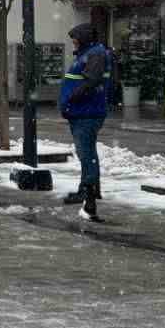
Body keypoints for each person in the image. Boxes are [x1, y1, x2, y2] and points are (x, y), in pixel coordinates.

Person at [60, 23, 110, 221]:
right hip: (82, 112)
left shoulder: (95, 54)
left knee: (86, 153)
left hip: (87, 113)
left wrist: (72, 96)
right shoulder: (88, 53)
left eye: (75, 38)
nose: (73, 42)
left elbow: (91, 81)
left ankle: (88, 191)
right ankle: (89, 188)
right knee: (86, 152)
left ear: (84, 38)